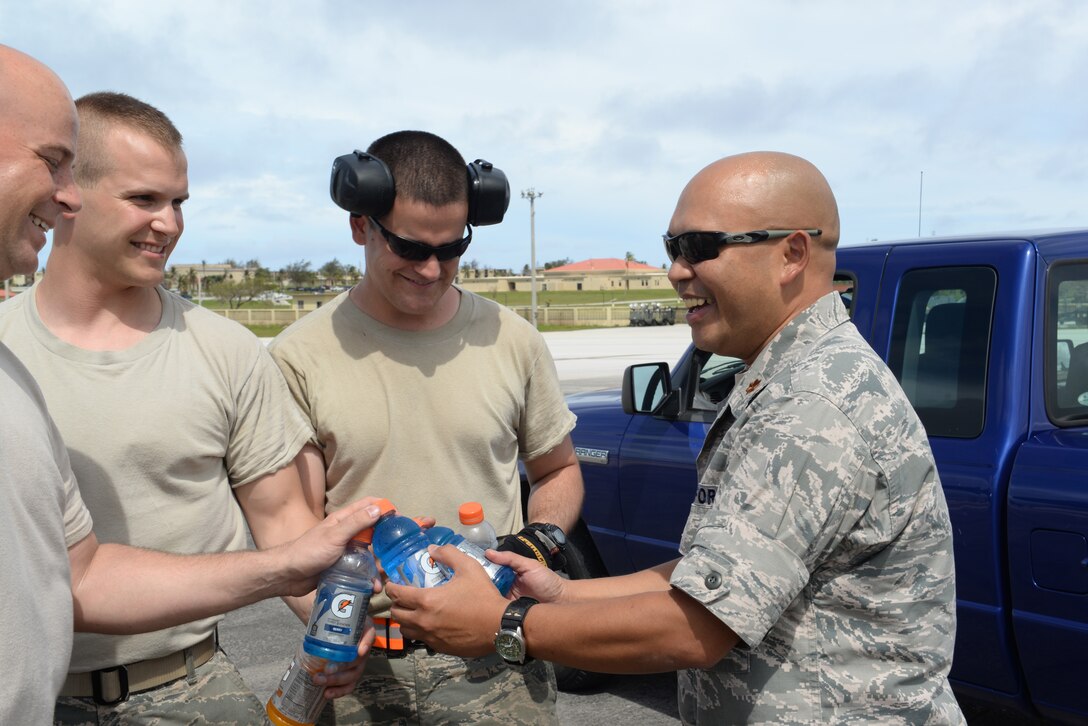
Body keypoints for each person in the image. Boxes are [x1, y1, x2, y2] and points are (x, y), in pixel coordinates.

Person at [387, 151, 967, 725]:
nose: (675, 271)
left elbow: (695, 627)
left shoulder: (812, 407)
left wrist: (503, 626)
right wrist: (559, 596)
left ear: (792, 254)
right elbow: (706, 575)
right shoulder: (792, 378)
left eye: (698, 248)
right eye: (672, 249)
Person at [0, 48, 376, 725]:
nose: (169, 223)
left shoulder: (226, 351)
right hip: (38, 697)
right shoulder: (5, 353)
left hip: (191, 688)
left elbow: (284, 524)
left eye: (178, 202)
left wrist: (339, 625)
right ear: (70, 196)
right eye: (144, 199)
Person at [269, 130, 584, 724]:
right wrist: (334, 625)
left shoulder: (512, 341)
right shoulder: (298, 357)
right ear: (361, 225)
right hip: (367, 672)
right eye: (411, 248)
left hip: (498, 664)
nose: (433, 268)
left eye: (452, 247)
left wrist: (538, 539)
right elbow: (290, 520)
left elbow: (558, 468)